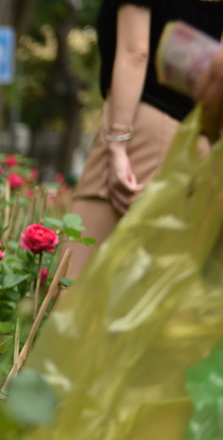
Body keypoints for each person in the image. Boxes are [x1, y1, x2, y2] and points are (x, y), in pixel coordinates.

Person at [62, 0, 223, 279]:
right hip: (196, 141)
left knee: (75, 274)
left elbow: (135, 52)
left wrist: (117, 143)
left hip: (141, 132)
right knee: (158, 292)